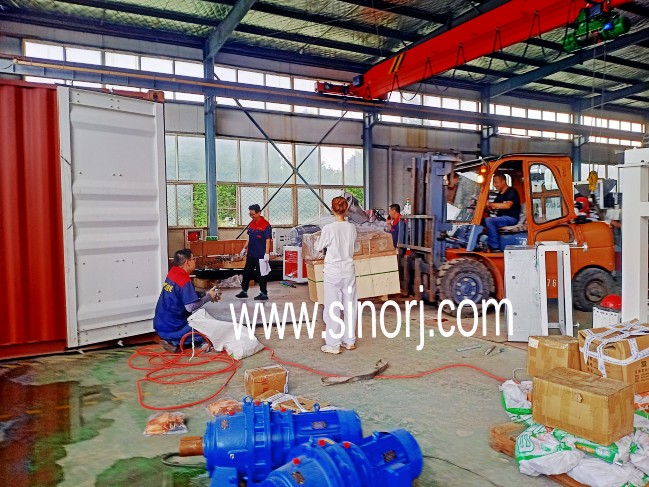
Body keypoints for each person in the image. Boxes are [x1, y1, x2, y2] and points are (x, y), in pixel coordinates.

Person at [153, 249, 219, 353]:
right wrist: (208, 298)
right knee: (208, 329)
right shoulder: (184, 280)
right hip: (173, 328)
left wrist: (206, 293)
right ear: (187, 262)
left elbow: (183, 293)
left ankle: (172, 340)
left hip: (160, 325)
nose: (195, 261)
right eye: (193, 259)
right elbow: (190, 307)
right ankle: (174, 342)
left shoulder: (172, 272)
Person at [316, 197, 358, 354]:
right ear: (346, 210)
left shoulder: (328, 228)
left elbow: (319, 247)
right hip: (348, 271)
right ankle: (350, 341)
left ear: (332, 210)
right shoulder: (352, 228)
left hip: (333, 272)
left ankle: (333, 344)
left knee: (333, 307)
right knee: (350, 306)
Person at [236, 204, 272, 301]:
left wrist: (267, 253)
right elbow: (250, 238)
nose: (252, 216)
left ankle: (263, 293)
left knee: (261, 274)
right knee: (247, 272)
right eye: (250, 214)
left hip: (260, 254)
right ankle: (244, 291)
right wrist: (244, 249)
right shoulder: (252, 223)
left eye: (253, 214)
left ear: (259, 213)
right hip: (251, 253)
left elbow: (268, 240)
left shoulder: (266, 225)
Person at [484, 173, 521, 252]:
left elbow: (507, 205)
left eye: (496, 182)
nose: (494, 185)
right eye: (493, 182)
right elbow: (495, 206)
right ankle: (484, 243)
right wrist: (488, 207)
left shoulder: (511, 191)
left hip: (511, 218)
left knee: (489, 220)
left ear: (503, 181)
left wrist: (490, 204)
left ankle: (494, 247)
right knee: (482, 221)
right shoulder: (499, 194)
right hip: (501, 217)